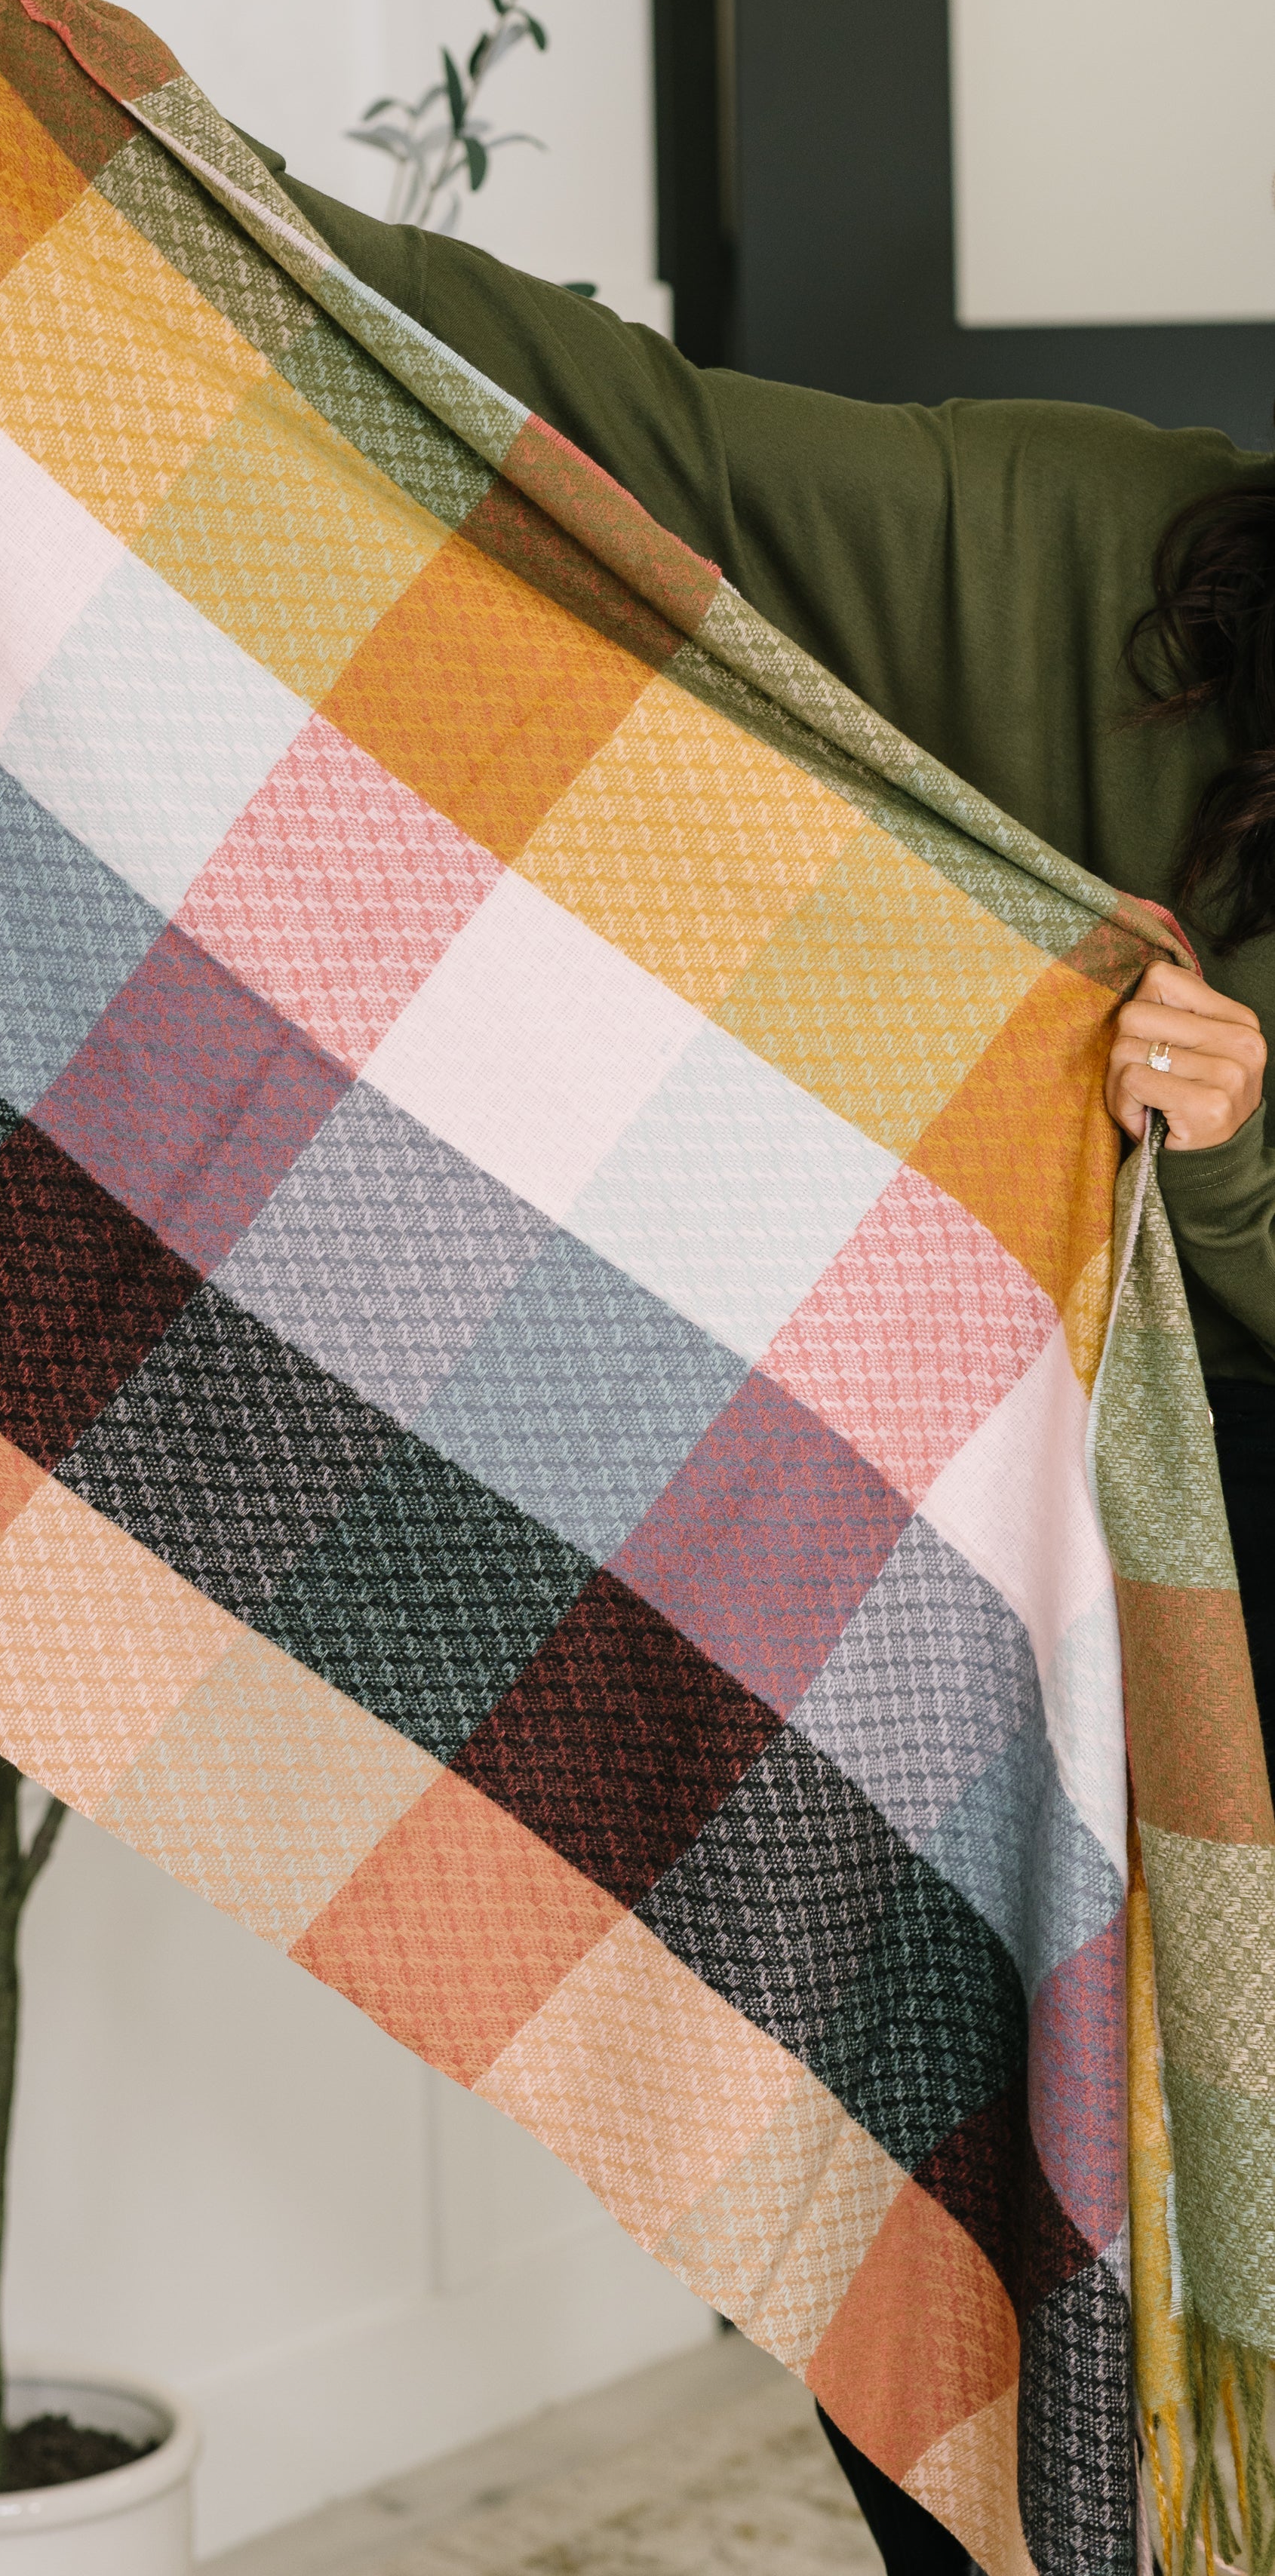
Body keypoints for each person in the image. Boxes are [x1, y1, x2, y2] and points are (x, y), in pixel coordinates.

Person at [235, 134, 1275, 2575]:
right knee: (924, 2209)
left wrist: (1228, 1145)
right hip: (990, 1557)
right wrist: (167, 172)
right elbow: (631, 432)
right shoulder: (1103, 548)